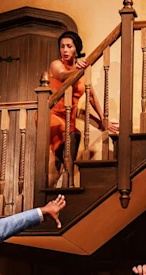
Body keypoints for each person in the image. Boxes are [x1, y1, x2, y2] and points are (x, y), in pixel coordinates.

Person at [47, 31, 118, 185]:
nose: (65, 50)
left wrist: (103, 120)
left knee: (59, 160)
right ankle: (70, 183)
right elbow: (61, 75)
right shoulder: (57, 64)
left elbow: (91, 96)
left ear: (76, 49)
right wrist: (77, 70)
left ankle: (59, 189)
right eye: (62, 47)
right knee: (71, 138)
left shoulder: (82, 72)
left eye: (69, 46)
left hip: (69, 118)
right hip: (52, 115)